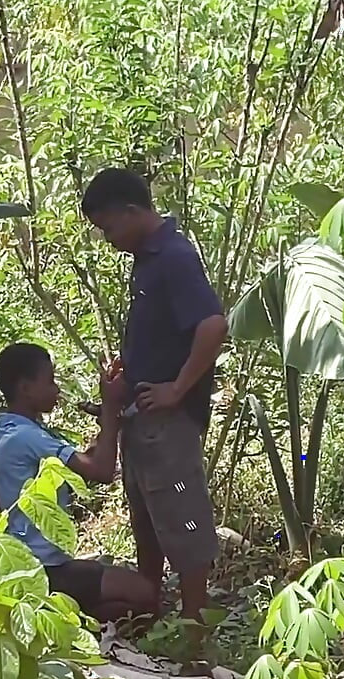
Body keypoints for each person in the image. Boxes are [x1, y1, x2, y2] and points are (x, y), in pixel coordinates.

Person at [81, 168, 228, 629]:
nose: (107, 238)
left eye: (108, 227)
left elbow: (213, 325)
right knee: (147, 514)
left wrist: (177, 388)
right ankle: (153, 609)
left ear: (131, 211)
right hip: (142, 416)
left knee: (182, 519)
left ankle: (192, 624)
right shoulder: (148, 259)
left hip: (169, 420)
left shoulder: (174, 257)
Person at [0, 342, 159, 622]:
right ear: (25, 388)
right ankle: (71, 618)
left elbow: (78, 465)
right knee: (145, 595)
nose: (56, 390)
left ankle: (68, 614)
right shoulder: (27, 437)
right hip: (45, 567)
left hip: (29, 563)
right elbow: (102, 471)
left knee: (133, 592)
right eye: (50, 382)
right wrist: (110, 409)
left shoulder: (8, 429)